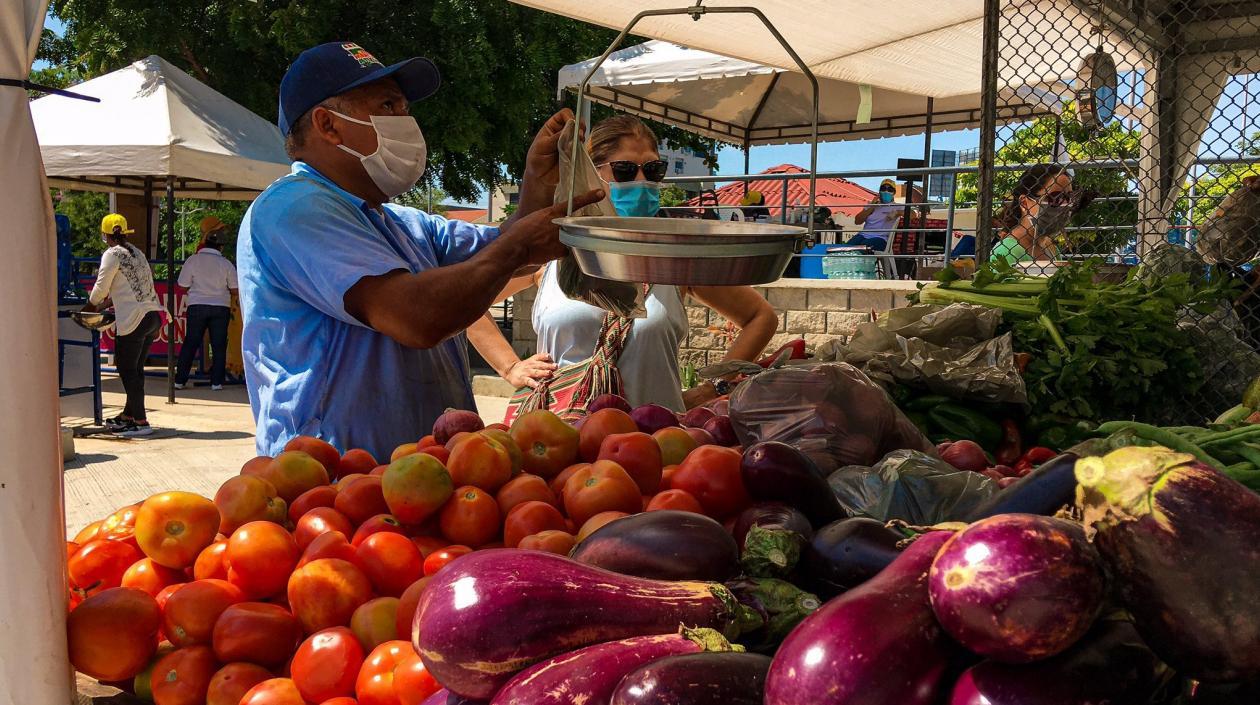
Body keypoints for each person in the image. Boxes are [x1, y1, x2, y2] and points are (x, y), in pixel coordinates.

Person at [237, 42, 602, 461]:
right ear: (328, 124)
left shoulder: (401, 223)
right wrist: (516, 247)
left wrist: (537, 180)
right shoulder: (295, 208)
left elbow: (510, 256)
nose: (406, 121)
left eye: (405, 108)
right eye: (388, 105)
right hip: (338, 485)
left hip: (422, 478)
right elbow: (415, 317)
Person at [466, 115, 779, 411]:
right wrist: (510, 366)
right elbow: (470, 303)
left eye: (653, 170)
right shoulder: (554, 254)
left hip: (654, 447)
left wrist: (713, 388)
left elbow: (759, 317)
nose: (642, 181)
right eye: (626, 170)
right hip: (561, 447)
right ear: (592, 174)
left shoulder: (674, 259)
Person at [83, 214, 165, 436]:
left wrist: (88, 309)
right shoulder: (137, 252)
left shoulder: (111, 254)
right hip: (153, 316)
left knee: (127, 369)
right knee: (136, 369)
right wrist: (107, 304)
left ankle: (140, 422)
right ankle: (128, 415)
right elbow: (129, 286)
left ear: (105, 235)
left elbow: (100, 289)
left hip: (135, 319)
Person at [174, 216, 239, 391]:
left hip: (197, 306)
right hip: (221, 307)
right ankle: (216, 383)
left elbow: (182, 285)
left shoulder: (192, 260)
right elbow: (235, 289)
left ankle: (179, 380)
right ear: (221, 246)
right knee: (218, 345)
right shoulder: (226, 264)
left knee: (191, 342)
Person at [991, 164, 1074, 264]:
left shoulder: (1049, 246)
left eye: (1069, 197)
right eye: (1055, 198)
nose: (1065, 205)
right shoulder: (1006, 251)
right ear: (1025, 203)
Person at [849, 178, 902, 248]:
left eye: (890, 190)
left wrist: (897, 212)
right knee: (844, 248)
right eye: (883, 189)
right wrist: (872, 206)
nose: (886, 191)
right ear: (879, 191)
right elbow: (857, 221)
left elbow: (913, 214)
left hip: (881, 238)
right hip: (863, 235)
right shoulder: (871, 205)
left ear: (894, 193)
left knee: (863, 247)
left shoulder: (897, 206)